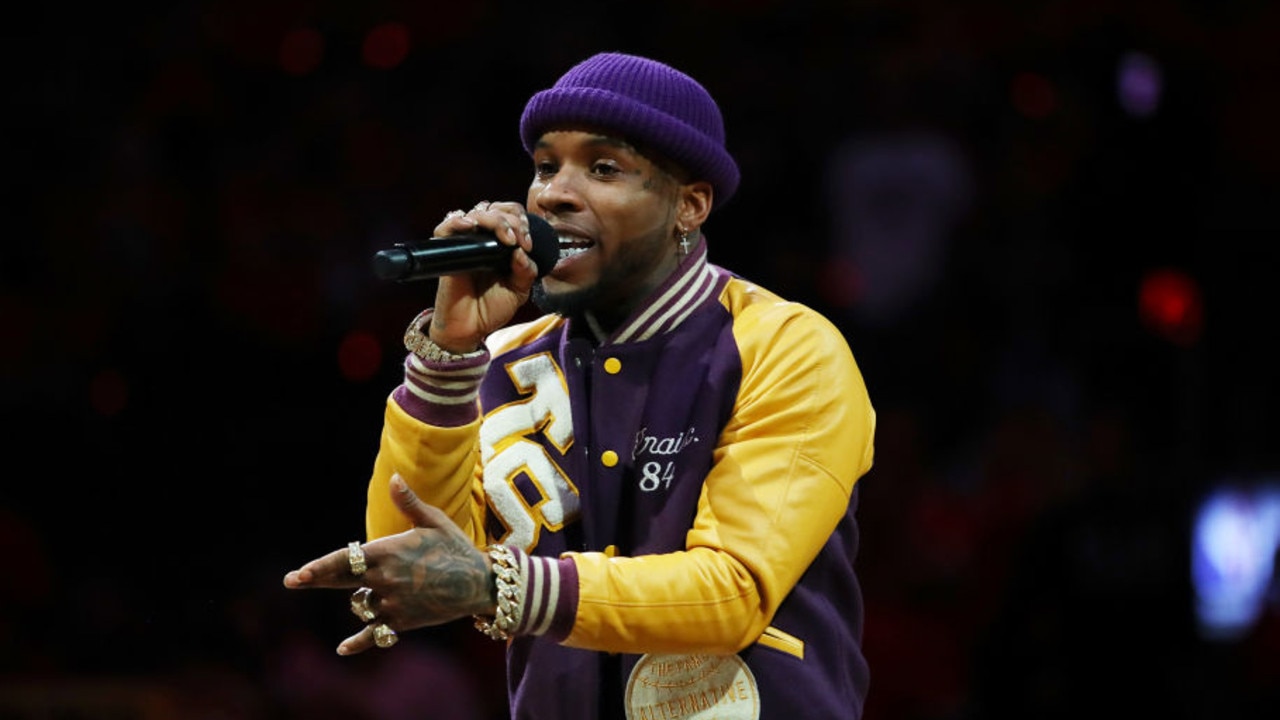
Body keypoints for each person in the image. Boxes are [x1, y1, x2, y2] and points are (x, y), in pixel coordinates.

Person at [283, 51, 877, 720]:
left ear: (689, 204)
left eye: (603, 167)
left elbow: (732, 590)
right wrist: (448, 358)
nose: (554, 194)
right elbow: (414, 562)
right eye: (545, 167)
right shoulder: (502, 362)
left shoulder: (785, 346)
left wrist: (496, 584)